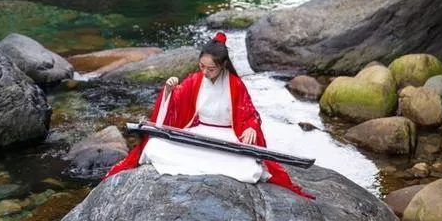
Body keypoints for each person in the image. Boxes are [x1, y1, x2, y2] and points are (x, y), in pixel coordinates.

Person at [105, 32, 314, 199]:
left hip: (227, 136)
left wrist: (250, 126)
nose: (204, 72)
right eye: (201, 67)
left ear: (222, 65)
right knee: (154, 147)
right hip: (198, 133)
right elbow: (176, 103)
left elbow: (249, 113)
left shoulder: (235, 84)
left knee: (249, 168)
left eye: (211, 69)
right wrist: (169, 90)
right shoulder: (195, 80)